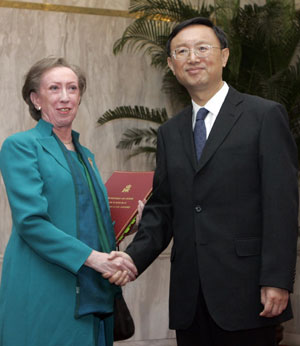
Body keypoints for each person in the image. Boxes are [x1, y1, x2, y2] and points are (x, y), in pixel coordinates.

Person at [107, 17, 299, 346]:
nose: (192, 58)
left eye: (202, 48)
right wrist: (132, 259)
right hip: (190, 296)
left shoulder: (264, 116)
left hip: (249, 292)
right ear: (171, 64)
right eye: (182, 51)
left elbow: (281, 204)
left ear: (223, 56)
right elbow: (163, 207)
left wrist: (277, 280)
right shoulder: (170, 132)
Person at [0, 56, 137, 346]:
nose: (65, 97)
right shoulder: (21, 146)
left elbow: (87, 219)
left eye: (72, 88)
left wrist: (125, 229)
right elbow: (31, 222)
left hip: (92, 288)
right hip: (45, 284)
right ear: (36, 99)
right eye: (54, 89)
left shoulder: (86, 154)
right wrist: (96, 259)